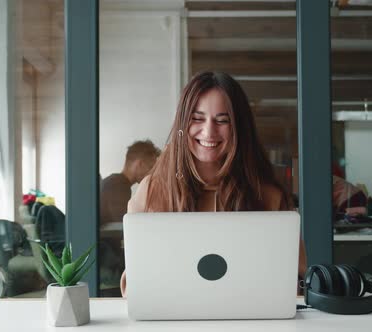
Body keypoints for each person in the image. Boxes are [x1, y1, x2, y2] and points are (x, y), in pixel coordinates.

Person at [120, 71, 307, 296]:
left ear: (239, 128)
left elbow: (296, 279)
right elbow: (133, 284)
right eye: (197, 118)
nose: (209, 131)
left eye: (222, 120)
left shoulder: (268, 195)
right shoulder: (151, 191)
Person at [99, 140, 160, 296]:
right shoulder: (118, 185)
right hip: (106, 257)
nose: (151, 173)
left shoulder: (114, 182)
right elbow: (125, 225)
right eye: (150, 167)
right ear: (139, 164)